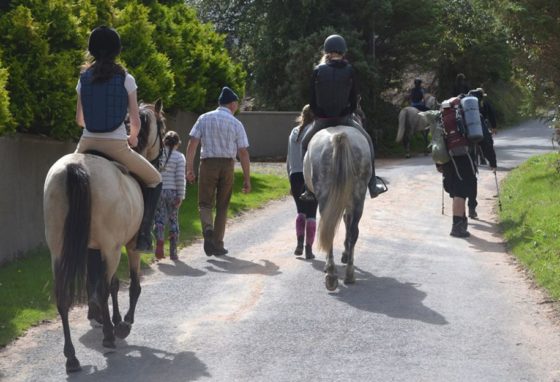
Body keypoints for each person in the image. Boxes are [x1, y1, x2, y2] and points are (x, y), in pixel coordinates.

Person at [75, 25, 162, 251]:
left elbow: (80, 120)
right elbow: (135, 121)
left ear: (92, 50)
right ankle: (143, 234)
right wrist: (133, 138)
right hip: (116, 145)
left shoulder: (83, 78)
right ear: (117, 50)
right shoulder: (126, 79)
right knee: (155, 180)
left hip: (86, 144)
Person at [299, 34, 384, 200]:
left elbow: (312, 99)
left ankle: (308, 188)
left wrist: (318, 113)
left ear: (327, 52)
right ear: (343, 52)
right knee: (367, 140)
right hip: (344, 119)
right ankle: (373, 184)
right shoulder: (350, 70)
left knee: (303, 143)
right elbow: (353, 97)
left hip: (322, 120)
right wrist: (348, 111)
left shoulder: (317, 70)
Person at [185, 86, 251, 256]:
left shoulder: (204, 118)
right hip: (228, 165)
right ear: (232, 104)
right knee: (222, 205)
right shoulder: (236, 123)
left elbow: (192, 143)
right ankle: (218, 244)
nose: (236, 106)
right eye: (236, 103)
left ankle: (208, 228)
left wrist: (189, 168)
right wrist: (246, 178)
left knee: (205, 203)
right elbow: (243, 152)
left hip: (208, 164)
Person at [287, 105, 318, 260]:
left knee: (301, 211)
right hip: (310, 176)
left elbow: (288, 159)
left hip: (294, 175)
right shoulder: (315, 132)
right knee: (312, 212)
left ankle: (299, 242)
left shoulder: (294, 132)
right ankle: (308, 249)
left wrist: (289, 177)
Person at [466, 87, 498, 219]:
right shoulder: (481, 107)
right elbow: (487, 143)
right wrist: (493, 162)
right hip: (476, 139)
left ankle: (458, 212)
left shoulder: (460, 111)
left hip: (457, 152)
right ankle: (471, 208)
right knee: (472, 179)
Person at [154, 131, 186, 261]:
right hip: (173, 192)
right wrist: (181, 195)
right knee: (173, 219)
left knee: (159, 219)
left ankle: (160, 241)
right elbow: (180, 178)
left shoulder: (158, 155)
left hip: (159, 191)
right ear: (177, 144)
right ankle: (173, 253)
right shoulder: (179, 157)